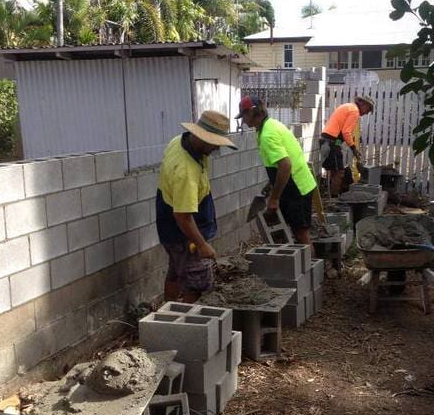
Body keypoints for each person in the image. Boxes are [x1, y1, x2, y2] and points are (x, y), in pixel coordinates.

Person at [156, 110, 237, 302]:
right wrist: (201, 244)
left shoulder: (179, 141)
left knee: (176, 271)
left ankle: (169, 317)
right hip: (183, 232)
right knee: (197, 283)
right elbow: (183, 216)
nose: (217, 149)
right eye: (215, 144)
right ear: (203, 138)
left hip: (170, 224)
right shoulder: (186, 172)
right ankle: (188, 327)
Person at [237, 95, 317, 247]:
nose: (244, 120)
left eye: (244, 116)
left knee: (301, 234)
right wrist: (271, 184)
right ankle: (300, 265)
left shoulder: (267, 135)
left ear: (253, 113)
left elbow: (285, 166)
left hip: (297, 188)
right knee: (296, 231)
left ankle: (311, 268)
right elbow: (280, 163)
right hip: (297, 184)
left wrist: (274, 199)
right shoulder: (270, 125)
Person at [320, 95, 374, 195]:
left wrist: (347, 142)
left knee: (335, 172)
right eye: (368, 109)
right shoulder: (354, 111)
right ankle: (335, 201)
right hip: (331, 144)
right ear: (363, 104)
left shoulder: (348, 106)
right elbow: (346, 132)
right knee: (339, 173)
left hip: (327, 141)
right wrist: (353, 148)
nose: (367, 112)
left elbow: (340, 131)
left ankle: (332, 198)